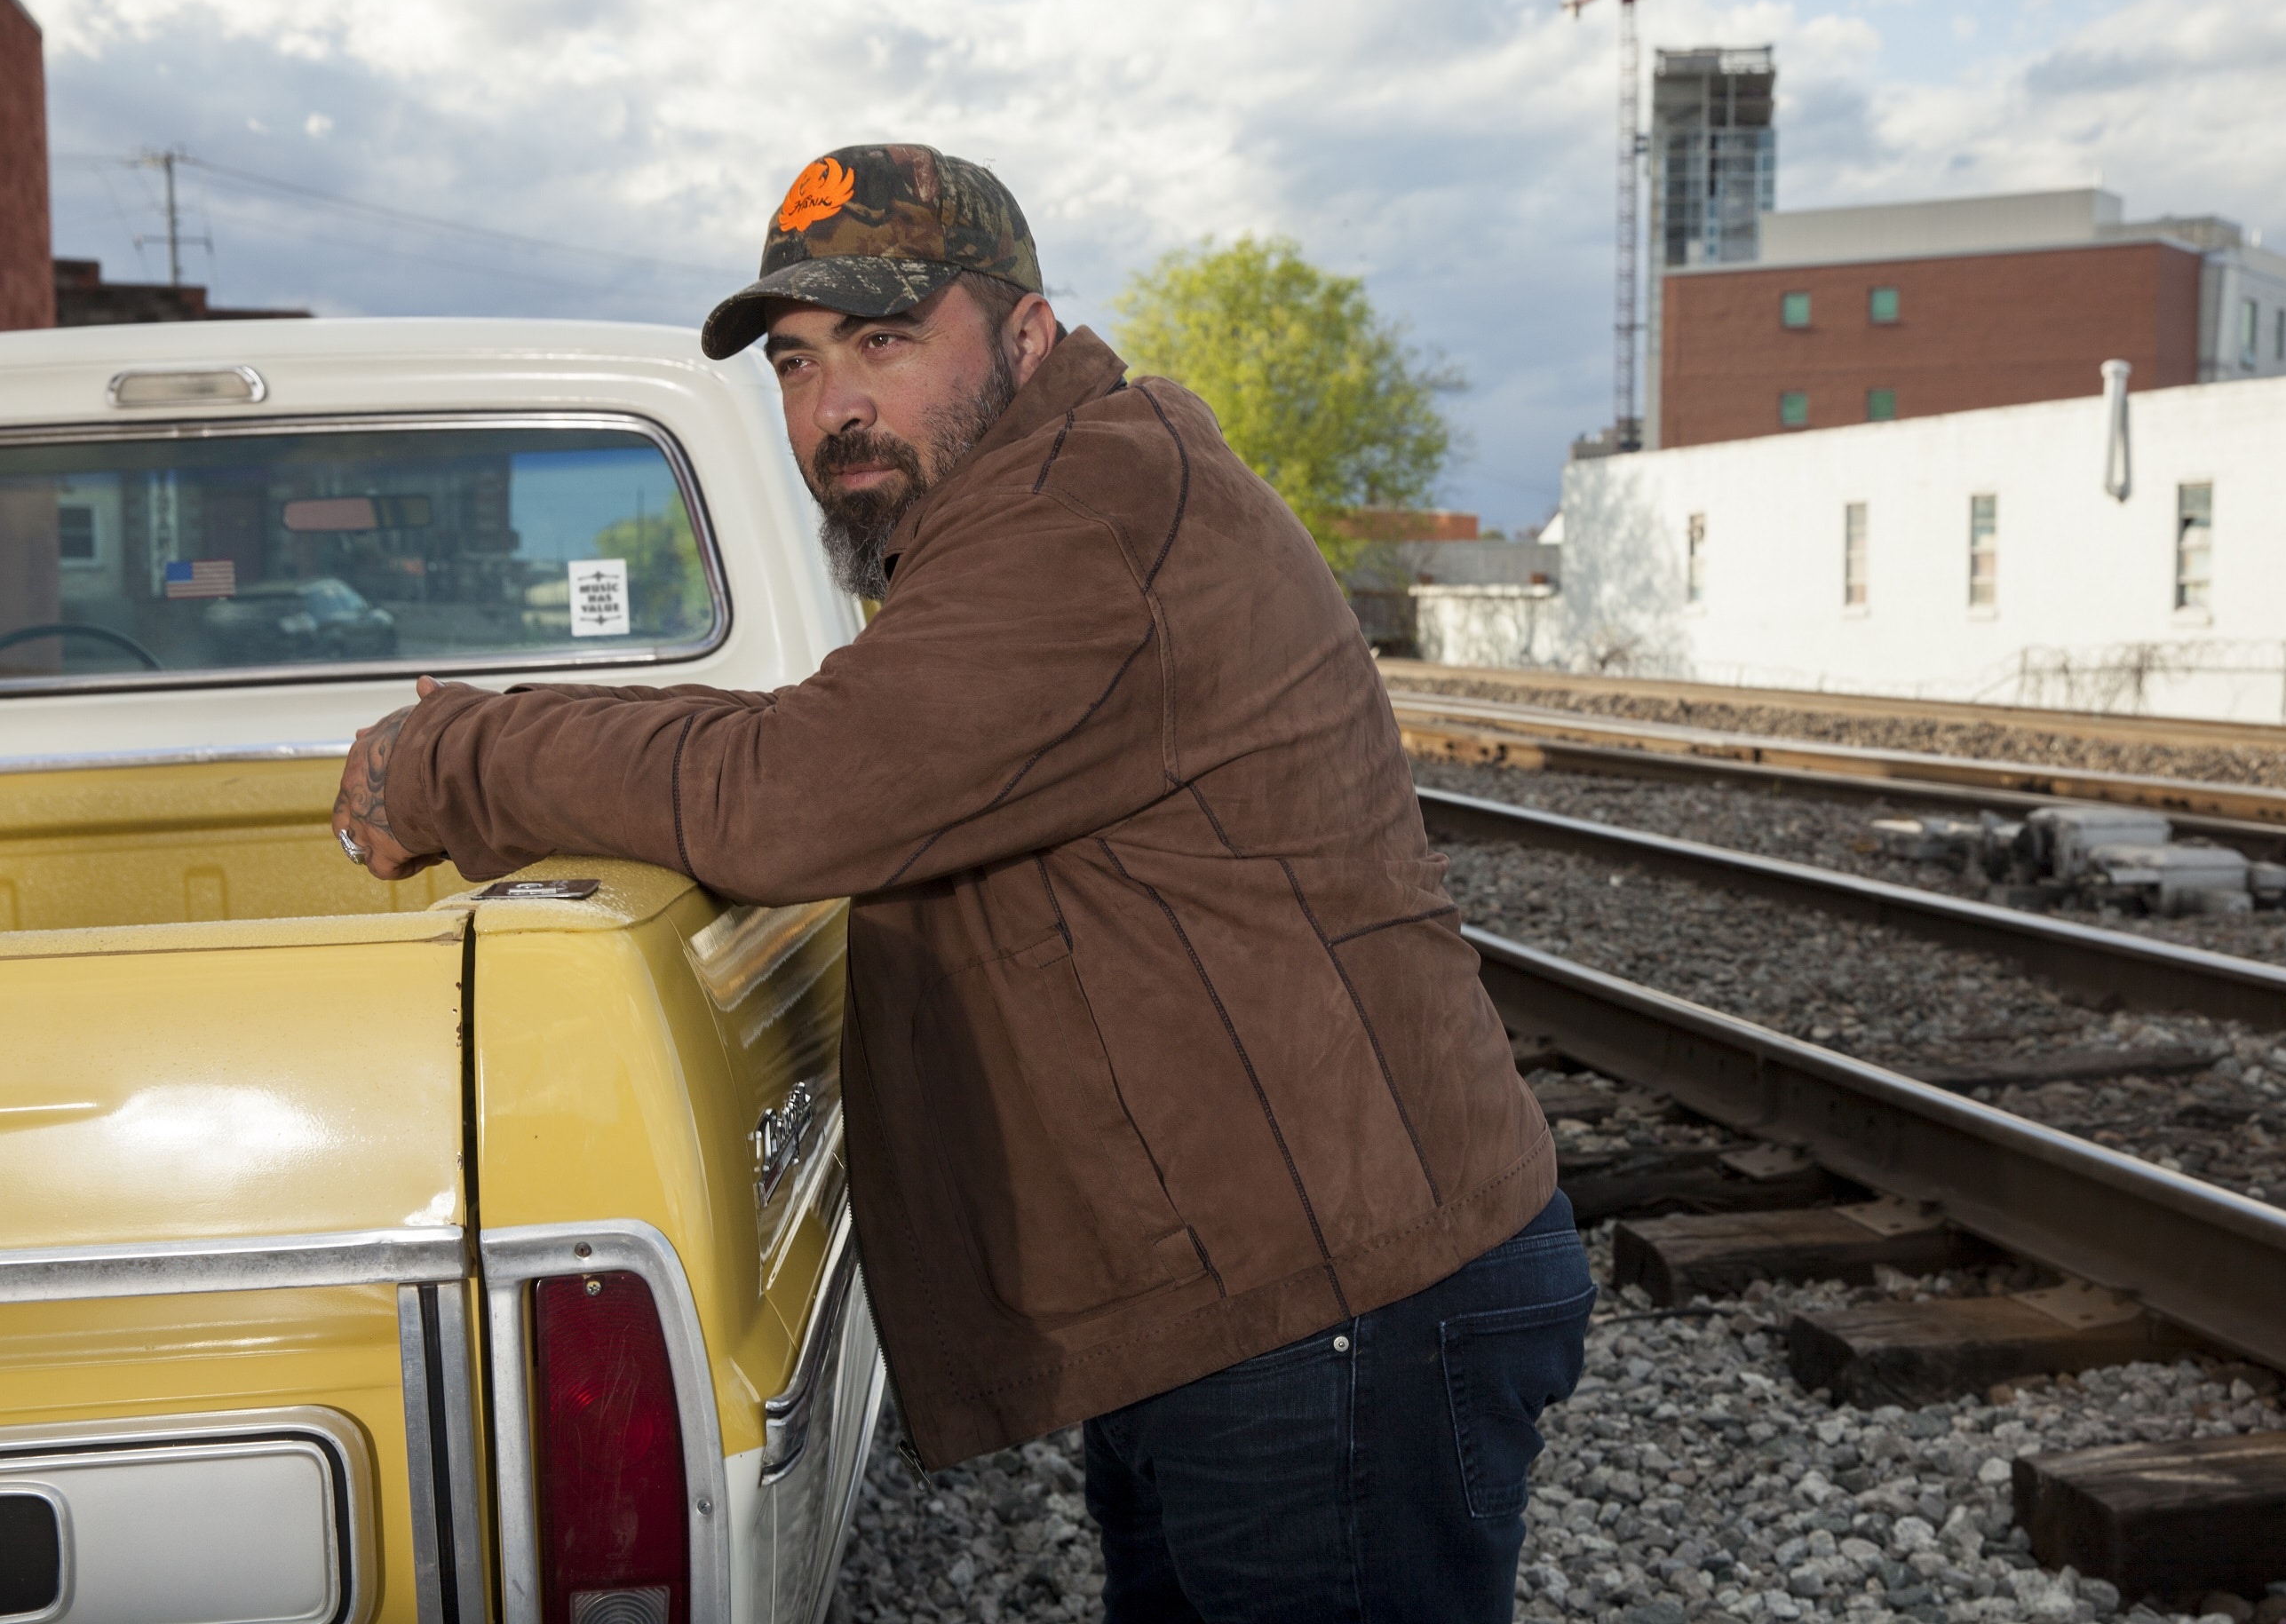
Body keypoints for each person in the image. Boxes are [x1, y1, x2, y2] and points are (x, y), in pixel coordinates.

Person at [335, 142, 1592, 1620]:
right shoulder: (1015, 515)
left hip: (1335, 1311)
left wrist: (459, 761)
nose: (833, 406)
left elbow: (795, 794)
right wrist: (514, 735)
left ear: (1028, 335)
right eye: (797, 365)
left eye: (884, 342)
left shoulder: (1090, 510)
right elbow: (825, 745)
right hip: (1260, 1293)